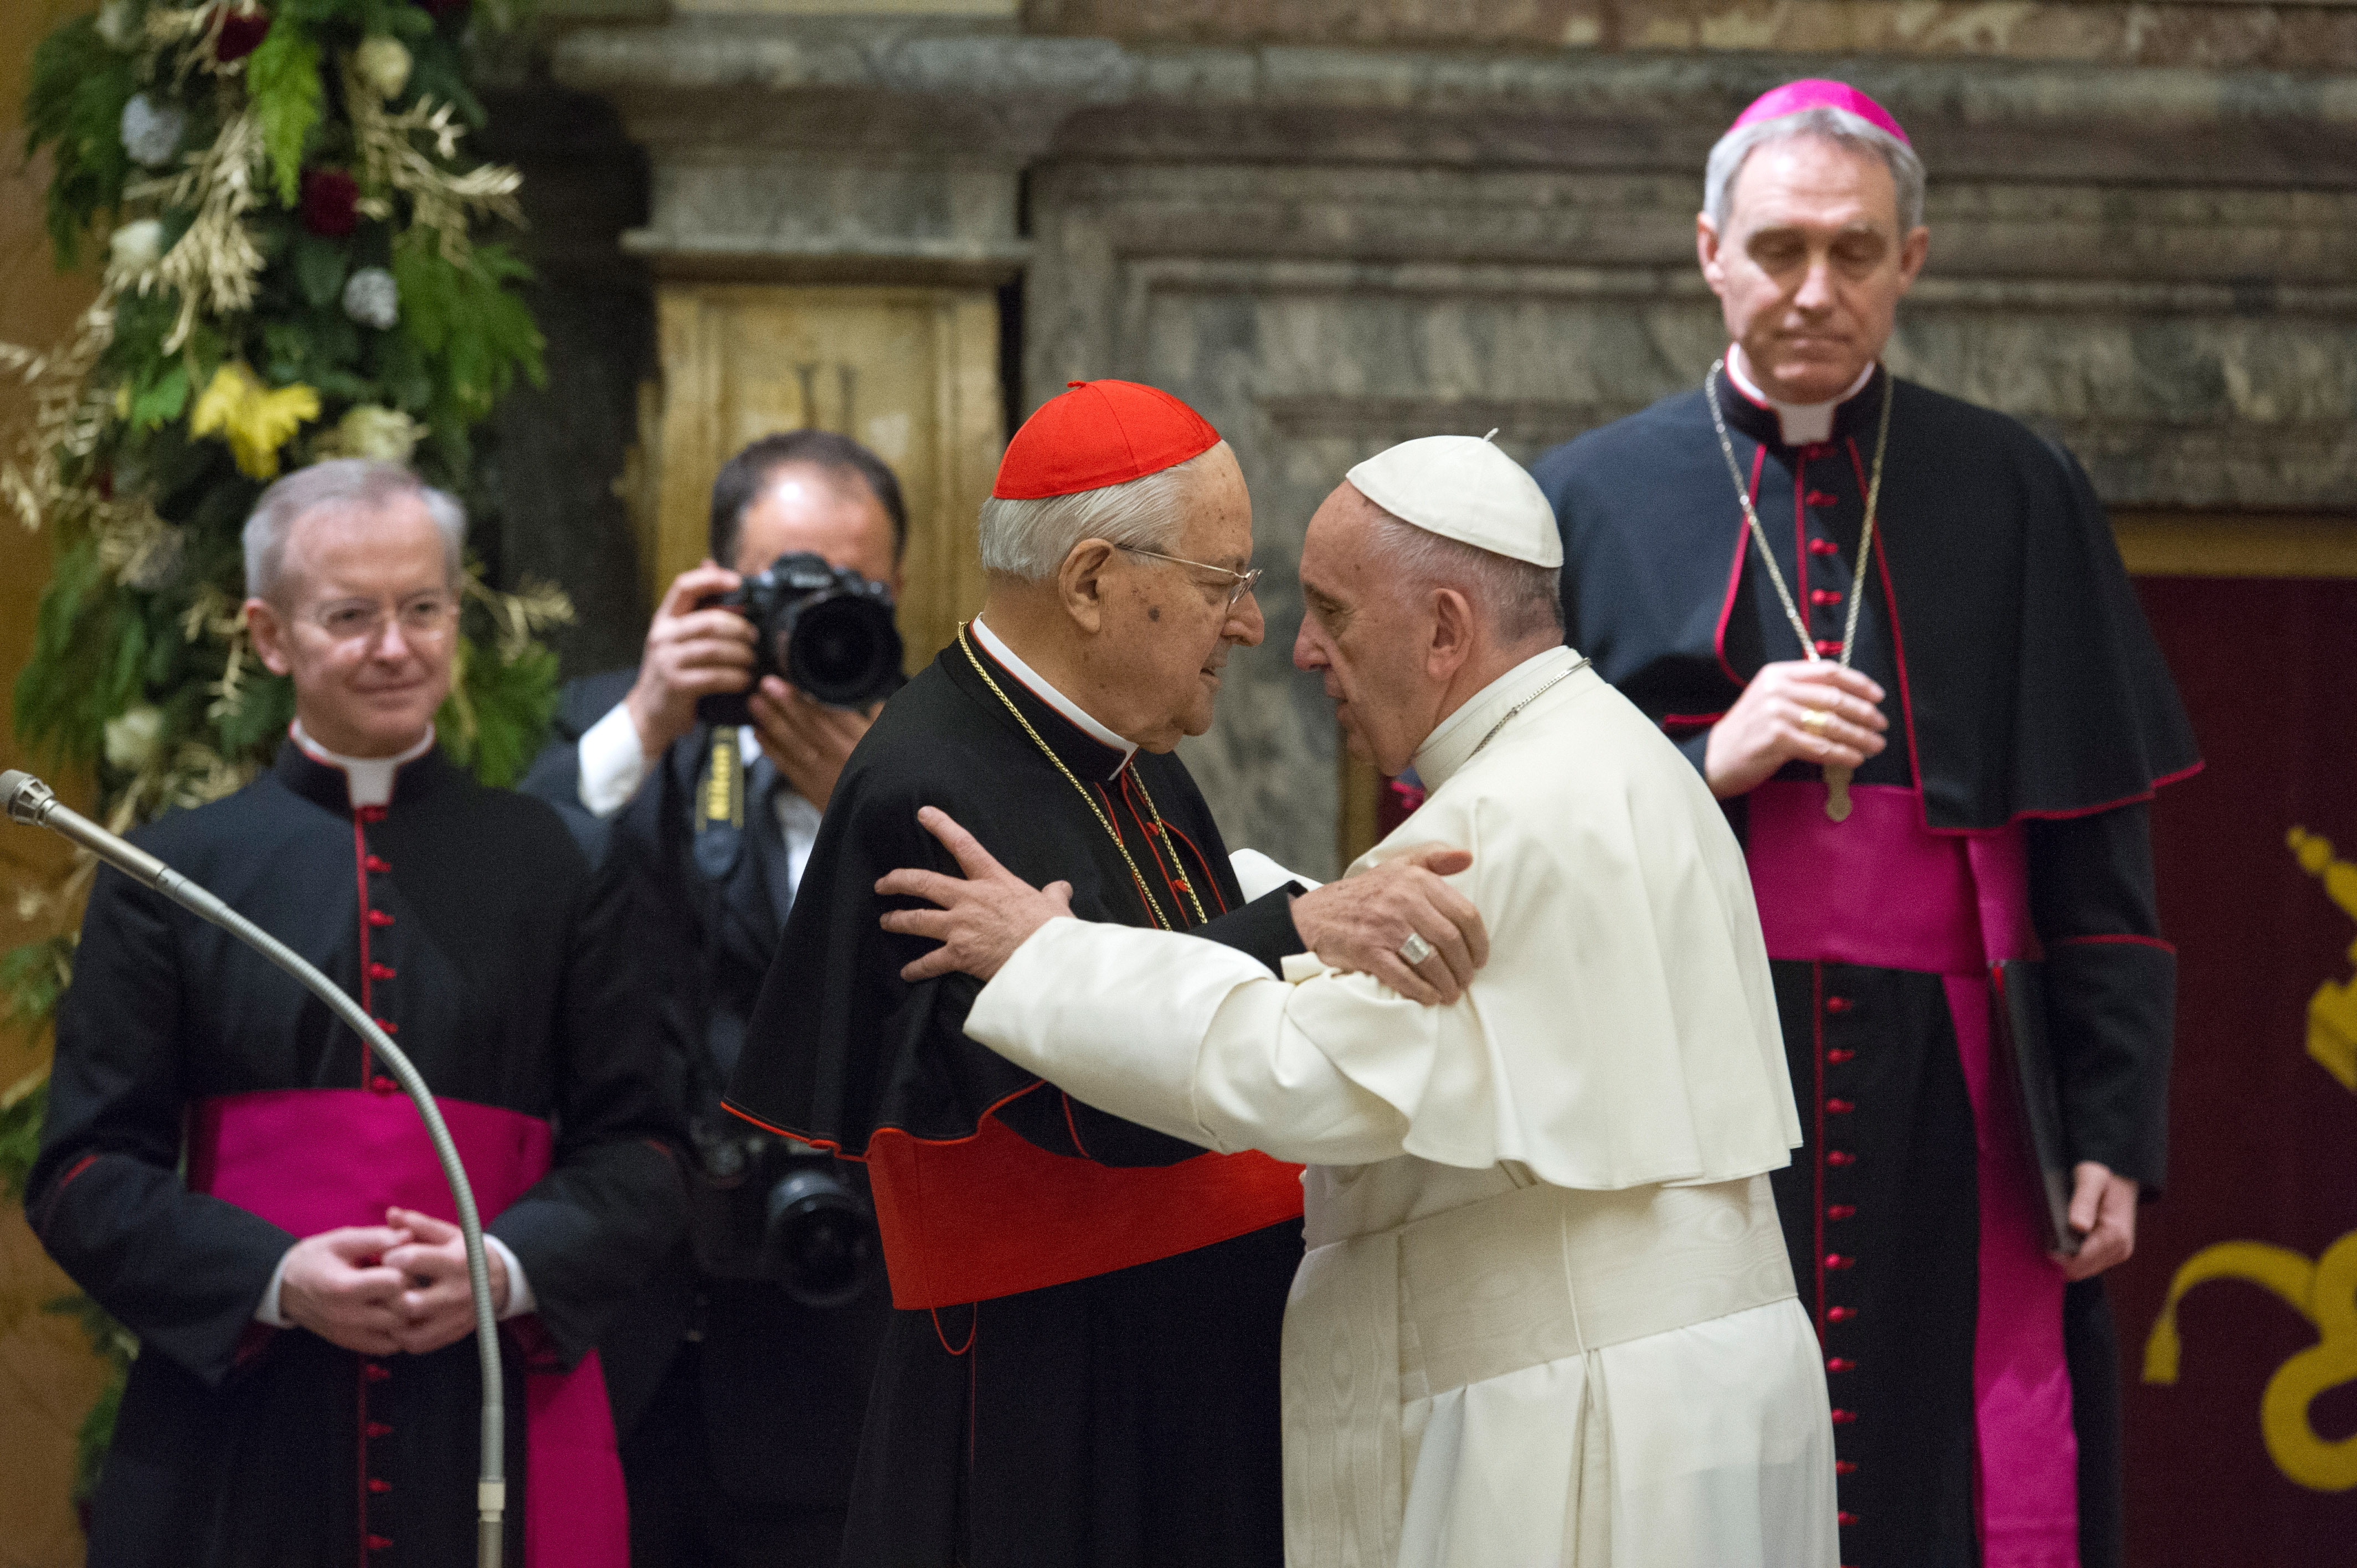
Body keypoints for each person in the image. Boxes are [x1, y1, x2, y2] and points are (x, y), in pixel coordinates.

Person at [879, 432, 1836, 1568]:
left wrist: (1045, 956)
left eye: (1331, 610)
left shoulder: (1509, 814)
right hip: (1668, 1388)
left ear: (1443, 627)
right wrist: (1270, 905)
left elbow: (1303, 1076)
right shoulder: (1606, 758)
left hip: (1573, 1411)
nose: (1300, 651)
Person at [1530, 79, 2200, 1568]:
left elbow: (2097, 843)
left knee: (1936, 1458)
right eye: (1777, 250)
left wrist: (2112, 1127)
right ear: (1709, 251)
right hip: (1688, 1058)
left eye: (1853, 250)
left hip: (1959, 1090)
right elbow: (1489, 820)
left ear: (1915, 258)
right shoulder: (1582, 497)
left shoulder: (2018, 489)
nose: (1812, 289)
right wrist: (1712, 755)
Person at [722, 380, 1495, 1568]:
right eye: (1220, 583)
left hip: (1171, 1363)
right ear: (1089, 584)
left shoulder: (1119, 743)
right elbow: (1116, 1102)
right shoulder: (932, 787)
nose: (1248, 627)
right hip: (1056, 1397)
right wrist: (1298, 925)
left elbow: (1154, 977)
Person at [28, 458, 687, 1568]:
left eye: (424, 608)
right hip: (240, 1426)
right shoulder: (174, 870)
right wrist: (278, 1280)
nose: (397, 646)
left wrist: (505, 1267)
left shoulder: (562, 861)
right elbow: (86, 1174)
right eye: (351, 615)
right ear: (269, 634)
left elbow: (651, 1152)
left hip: (491, 1412)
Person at [518, 432, 903, 1566]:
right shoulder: (613, 724)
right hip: (632, 1342)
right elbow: (505, 913)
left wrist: (869, 811)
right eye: (787, 586)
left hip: (842, 1340)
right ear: (713, 587)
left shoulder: (941, 759)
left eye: (857, 591)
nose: (814, 620)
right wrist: (645, 721)